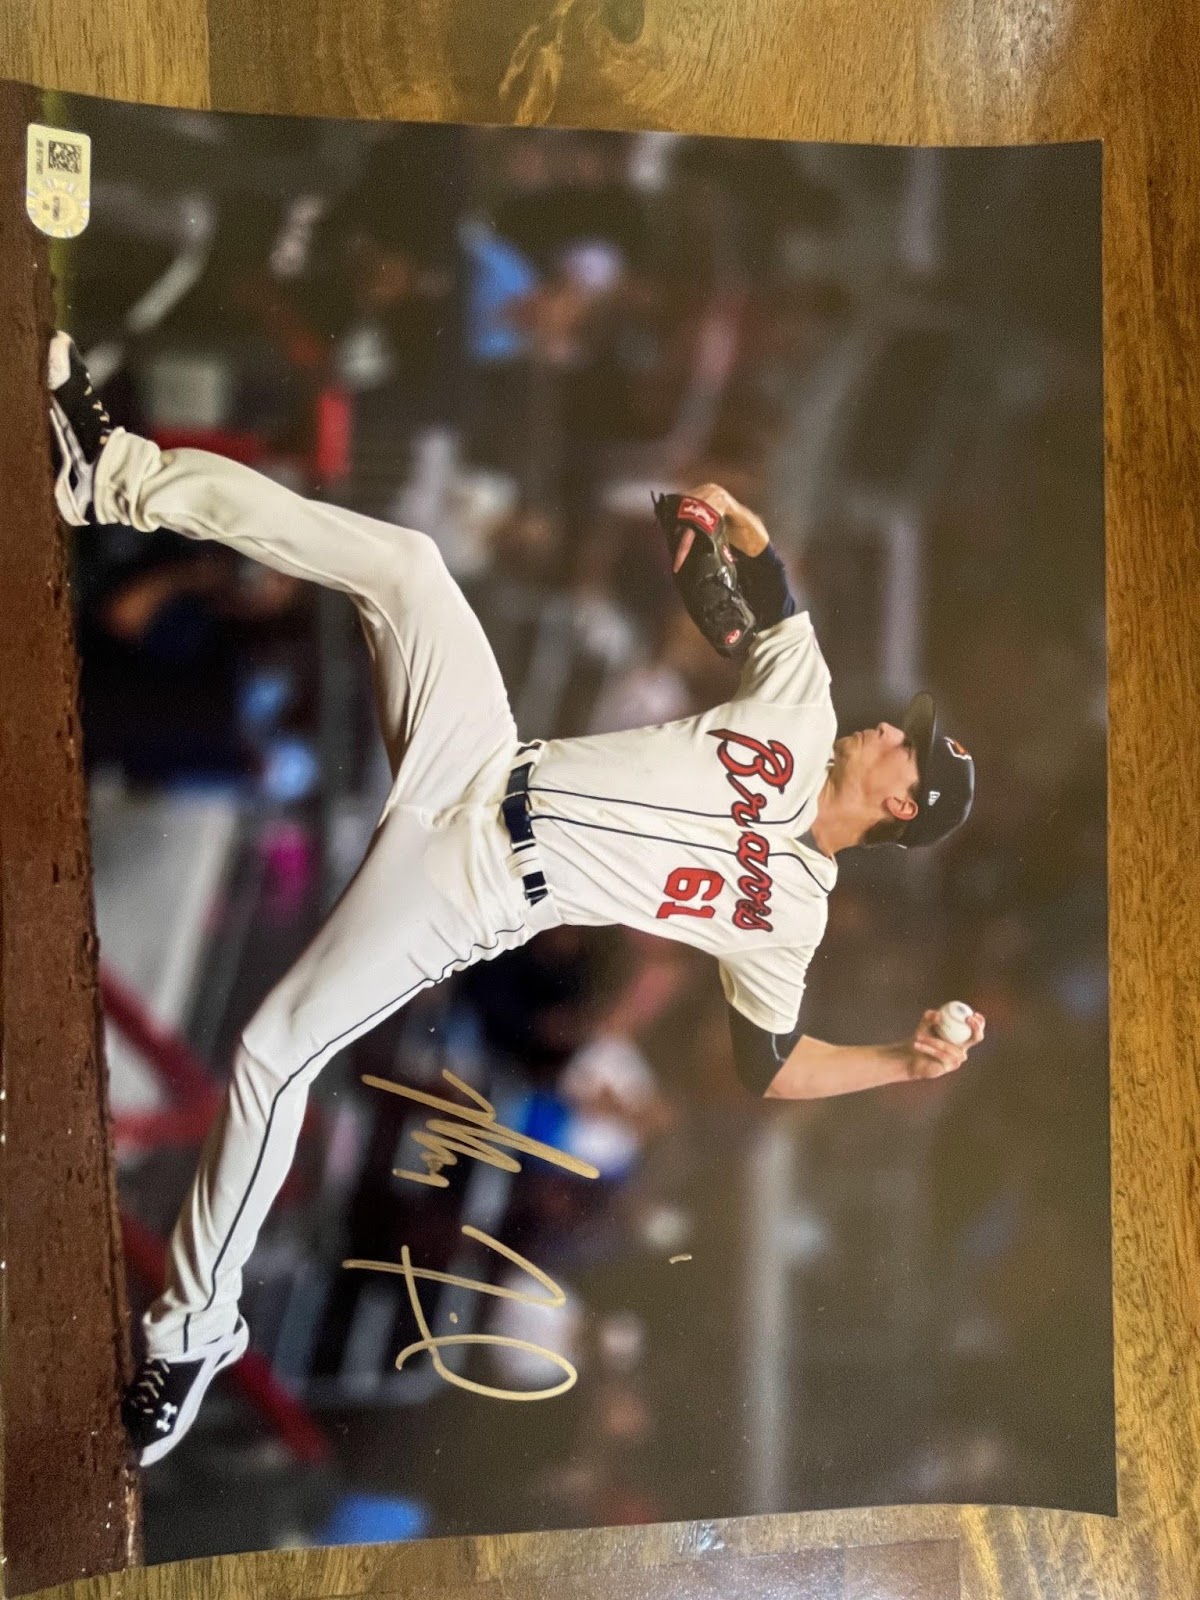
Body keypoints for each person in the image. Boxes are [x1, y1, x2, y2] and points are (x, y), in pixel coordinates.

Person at [47, 331, 985, 1465]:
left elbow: (770, 1065)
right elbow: (743, 596)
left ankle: (194, 1334)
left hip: (479, 884)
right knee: (409, 564)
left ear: (901, 805)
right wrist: (723, 526)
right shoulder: (805, 703)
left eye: (909, 749)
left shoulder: (794, 917)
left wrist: (900, 1059)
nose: (893, 728)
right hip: (485, 758)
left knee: (271, 1054)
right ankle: (113, 477)